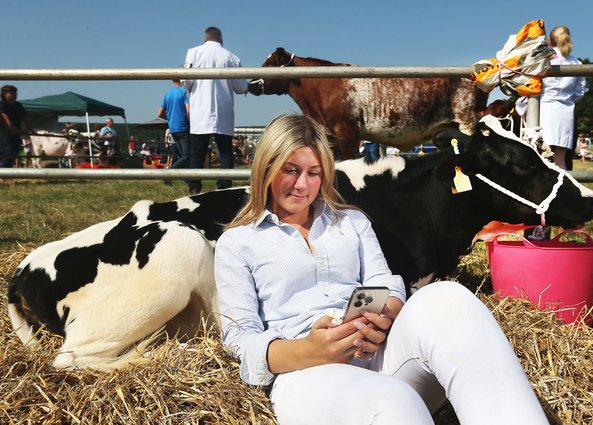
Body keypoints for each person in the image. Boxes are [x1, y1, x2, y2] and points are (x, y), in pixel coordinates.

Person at [214, 114, 549, 424]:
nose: (303, 185)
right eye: (290, 170)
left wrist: (381, 317)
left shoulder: (352, 222)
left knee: (449, 297)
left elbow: (387, 286)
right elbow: (239, 340)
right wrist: (308, 349)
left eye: (313, 172)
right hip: (304, 372)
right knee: (392, 399)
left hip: (377, 353)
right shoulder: (238, 243)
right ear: (265, 168)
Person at [183, 26, 249, 194]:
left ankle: (194, 188)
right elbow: (241, 88)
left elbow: (186, 81)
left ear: (205, 38)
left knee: (197, 152)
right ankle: (224, 189)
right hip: (223, 110)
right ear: (221, 39)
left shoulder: (193, 53)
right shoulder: (232, 57)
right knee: (225, 151)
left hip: (200, 110)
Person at [540, 26, 586, 170]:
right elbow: (580, 92)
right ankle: (562, 192)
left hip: (544, 110)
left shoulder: (543, 60)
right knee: (560, 161)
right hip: (565, 112)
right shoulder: (576, 63)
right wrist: (567, 99)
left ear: (549, 41)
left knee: (541, 159)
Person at [158, 80, 190, 185]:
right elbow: (188, 110)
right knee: (186, 156)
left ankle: (187, 180)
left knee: (182, 156)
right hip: (183, 127)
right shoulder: (184, 92)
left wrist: (170, 119)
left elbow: (159, 113)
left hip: (172, 129)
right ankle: (169, 173)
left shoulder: (168, 94)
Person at [0, 85, 35, 168]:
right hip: (4, 133)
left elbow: (25, 117)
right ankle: (3, 174)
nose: (15, 95)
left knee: (14, 153)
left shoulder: (18, 105)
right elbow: (5, 117)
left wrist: (32, 129)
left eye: (15, 93)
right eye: (12, 93)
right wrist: (12, 128)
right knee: (8, 152)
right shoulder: (2, 104)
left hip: (16, 133)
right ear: (4, 94)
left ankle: (5, 174)